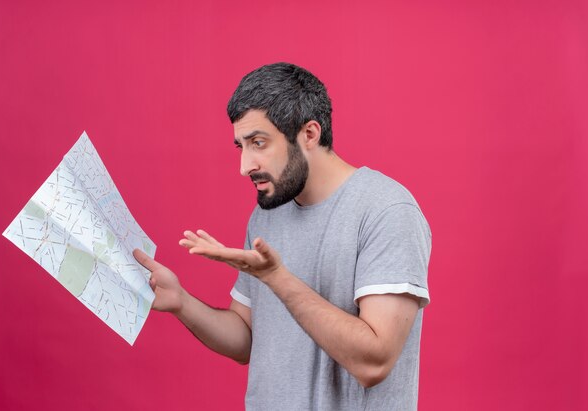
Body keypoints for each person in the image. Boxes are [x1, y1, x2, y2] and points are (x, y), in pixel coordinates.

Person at [133, 62, 431, 410]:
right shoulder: (266, 215)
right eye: (240, 146)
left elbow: (374, 362)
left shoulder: (385, 210)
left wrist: (275, 277)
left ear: (309, 134)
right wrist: (181, 302)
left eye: (259, 143)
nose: (245, 166)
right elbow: (246, 340)